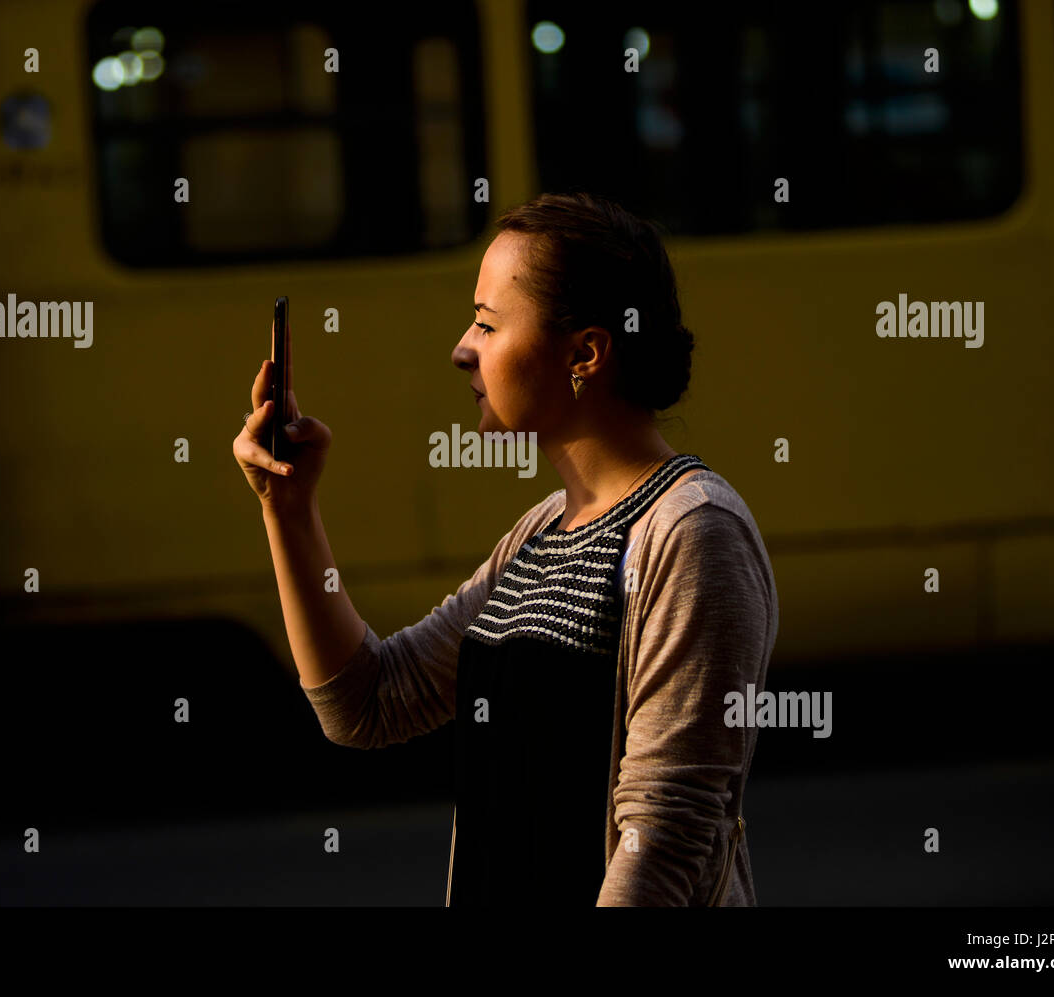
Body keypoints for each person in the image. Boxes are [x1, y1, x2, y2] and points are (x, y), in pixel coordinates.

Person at [233, 191, 779, 906]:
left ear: (585, 353)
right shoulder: (542, 531)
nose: (462, 347)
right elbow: (367, 702)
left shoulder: (691, 531)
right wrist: (290, 508)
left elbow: (665, 837)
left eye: (488, 324)